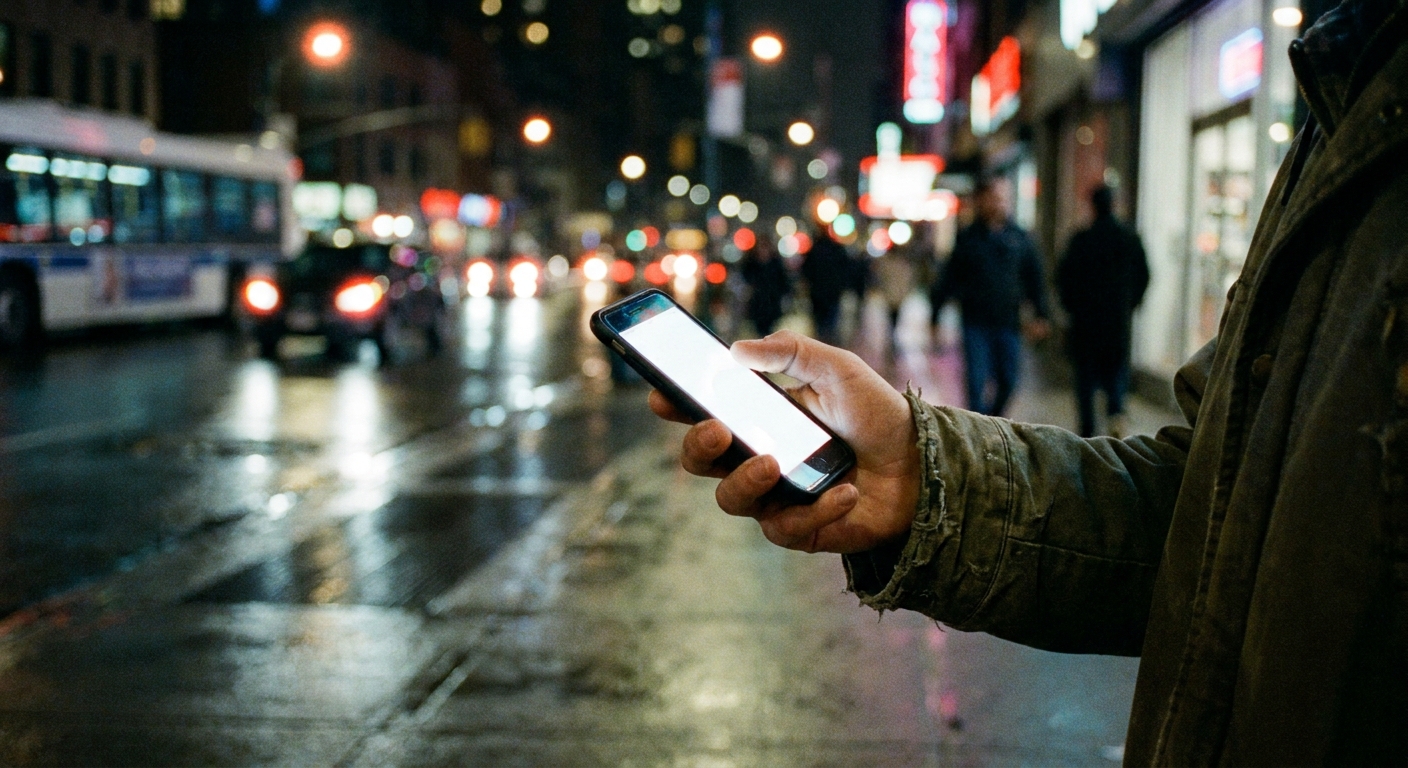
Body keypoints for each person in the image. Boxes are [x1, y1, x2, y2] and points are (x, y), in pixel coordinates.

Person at [647, 1, 1408, 762]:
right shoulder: (1350, 80)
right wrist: (921, 474)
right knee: (1015, 376)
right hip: (994, 326)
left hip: (1014, 325)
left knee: (1019, 374)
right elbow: (1213, 512)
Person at [929, 177, 1050, 416]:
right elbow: (949, 278)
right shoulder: (968, 238)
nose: (999, 203)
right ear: (981, 200)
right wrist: (936, 315)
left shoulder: (1020, 237)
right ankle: (979, 429)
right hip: (976, 323)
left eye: (1003, 198)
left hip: (1008, 322)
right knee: (976, 382)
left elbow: (1035, 278)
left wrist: (1041, 314)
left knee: (1008, 381)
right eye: (994, 197)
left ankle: (992, 420)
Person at [1057, 185, 1150, 438]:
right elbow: (1144, 276)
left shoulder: (1081, 240)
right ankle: (1115, 417)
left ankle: (1087, 433)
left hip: (1086, 324)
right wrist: (1130, 305)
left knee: (1085, 380)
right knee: (1115, 375)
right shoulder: (1129, 238)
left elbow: (1064, 279)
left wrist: (1072, 308)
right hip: (1116, 323)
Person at [800, 230, 849, 344]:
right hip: (833, 292)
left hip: (817, 293)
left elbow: (806, 271)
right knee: (832, 322)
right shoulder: (837, 250)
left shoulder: (813, 251)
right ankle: (830, 345)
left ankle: (821, 344)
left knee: (819, 323)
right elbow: (846, 270)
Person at [740, 235, 791, 337]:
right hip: (757, 304)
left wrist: (784, 297)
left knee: (770, 330)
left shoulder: (775, 263)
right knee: (760, 330)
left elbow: (783, 282)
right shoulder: (751, 263)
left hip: (772, 303)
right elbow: (745, 281)